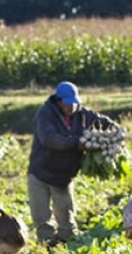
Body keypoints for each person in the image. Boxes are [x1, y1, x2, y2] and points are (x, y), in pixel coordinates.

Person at [28, 80, 120, 245]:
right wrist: (77, 143)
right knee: (42, 220)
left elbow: (104, 122)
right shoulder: (45, 114)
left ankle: (69, 246)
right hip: (40, 173)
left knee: (67, 221)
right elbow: (51, 139)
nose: (72, 108)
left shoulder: (83, 114)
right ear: (58, 101)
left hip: (63, 176)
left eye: (74, 104)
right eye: (68, 104)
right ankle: (47, 249)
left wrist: (116, 131)